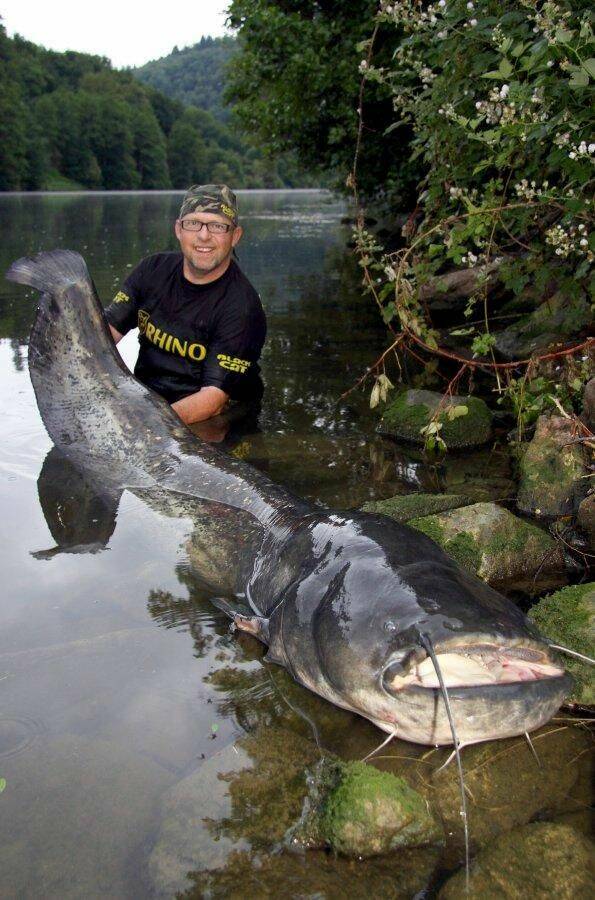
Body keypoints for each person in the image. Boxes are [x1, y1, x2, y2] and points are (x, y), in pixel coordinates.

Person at [104, 184, 266, 426]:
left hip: (218, 417)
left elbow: (213, 400)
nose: (203, 236)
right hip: (150, 401)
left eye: (218, 226)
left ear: (235, 236)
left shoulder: (242, 308)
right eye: (193, 223)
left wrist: (145, 424)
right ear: (179, 230)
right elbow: (104, 334)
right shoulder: (152, 271)